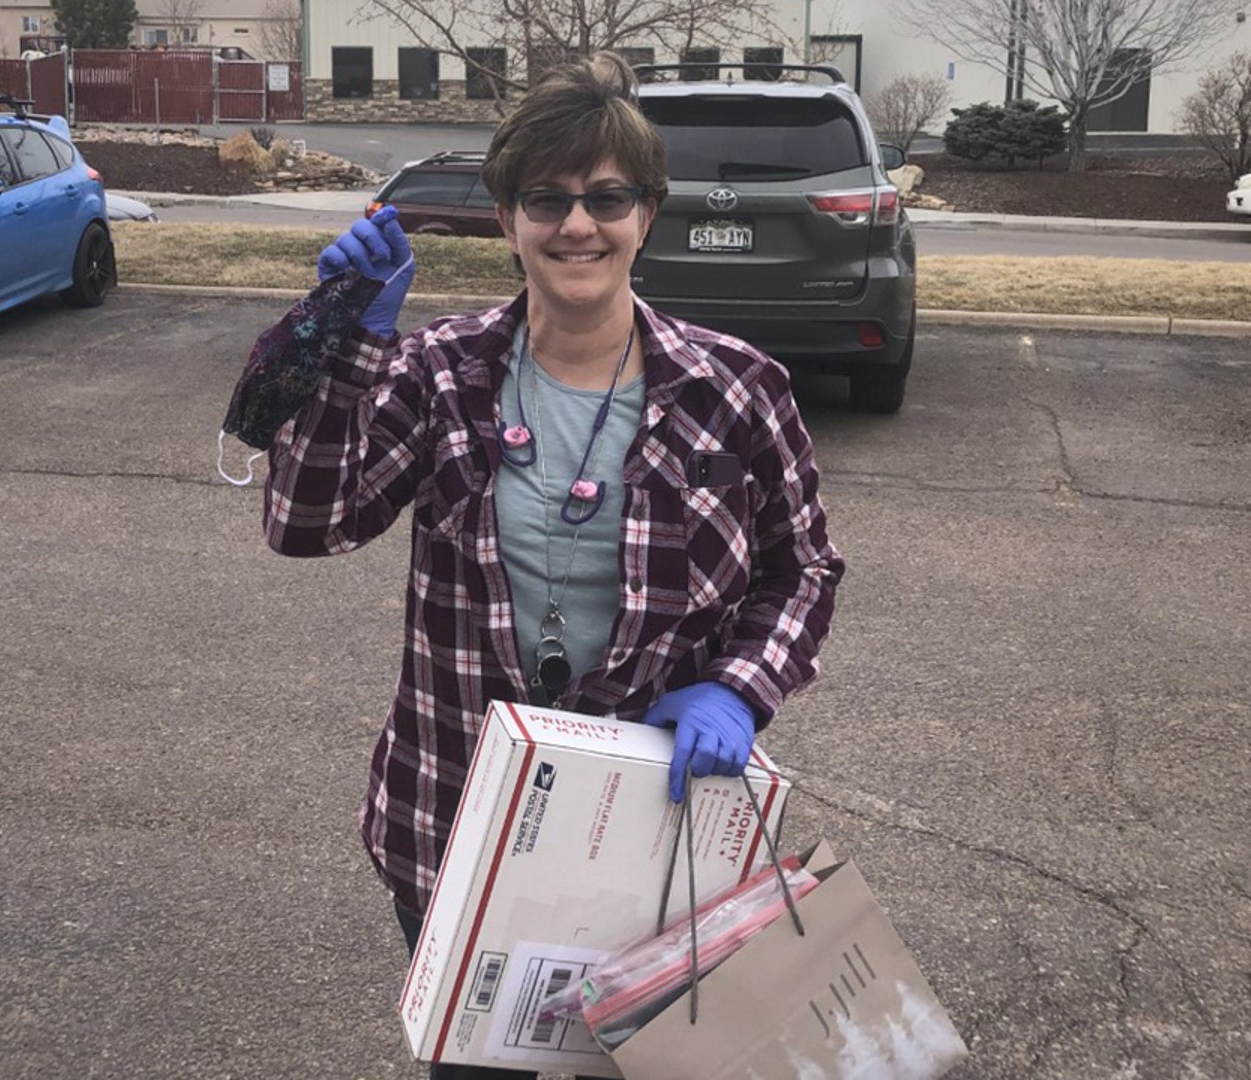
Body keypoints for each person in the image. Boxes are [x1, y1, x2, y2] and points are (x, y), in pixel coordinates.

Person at [222, 51, 844, 1079]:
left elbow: (805, 567)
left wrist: (739, 688)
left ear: (649, 212)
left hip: (658, 841)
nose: (577, 225)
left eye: (607, 197)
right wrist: (354, 354)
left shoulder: (738, 389)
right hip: (457, 824)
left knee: (650, 1069)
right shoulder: (441, 373)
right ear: (507, 217)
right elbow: (308, 522)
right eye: (545, 199)